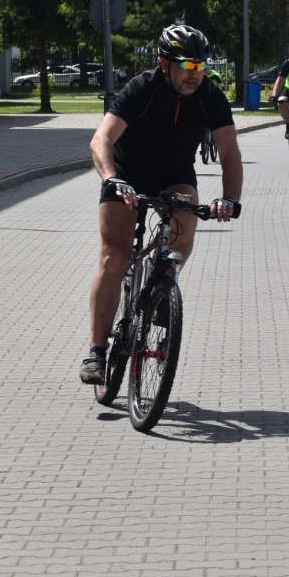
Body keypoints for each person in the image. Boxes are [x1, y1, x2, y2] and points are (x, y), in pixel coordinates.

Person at [80, 24, 244, 384]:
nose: (195, 76)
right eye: (187, 68)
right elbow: (101, 139)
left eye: (200, 67)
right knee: (114, 256)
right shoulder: (142, 89)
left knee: (186, 224)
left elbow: (230, 151)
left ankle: (161, 288)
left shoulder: (210, 96)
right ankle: (96, 351)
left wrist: (230, 199)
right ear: (164, 64)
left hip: (174, 175)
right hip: (126, 173)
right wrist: (111, 178)